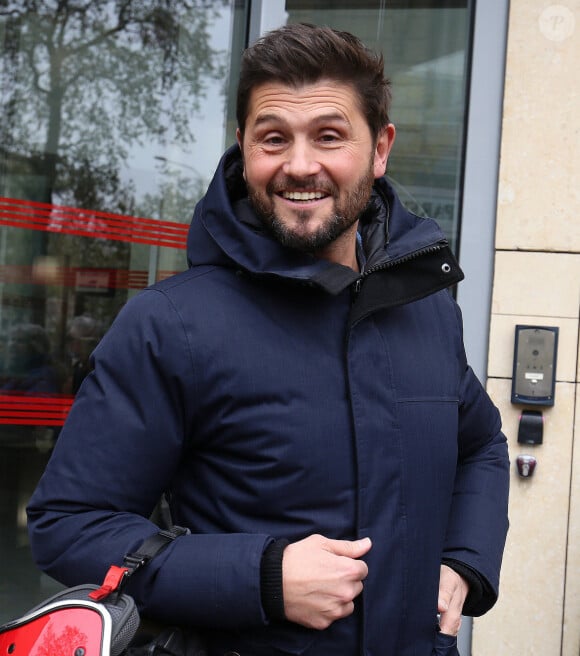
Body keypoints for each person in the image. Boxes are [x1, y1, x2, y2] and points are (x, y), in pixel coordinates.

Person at [27, 23, 509, 656]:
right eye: (273, 138)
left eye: (330, 136)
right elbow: (69, 526)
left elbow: (482, 445)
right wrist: (261, 576)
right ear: (243, 147)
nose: (300, 165)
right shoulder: (171, 325)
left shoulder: (426, 312)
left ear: (381, 148)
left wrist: (465, 562)